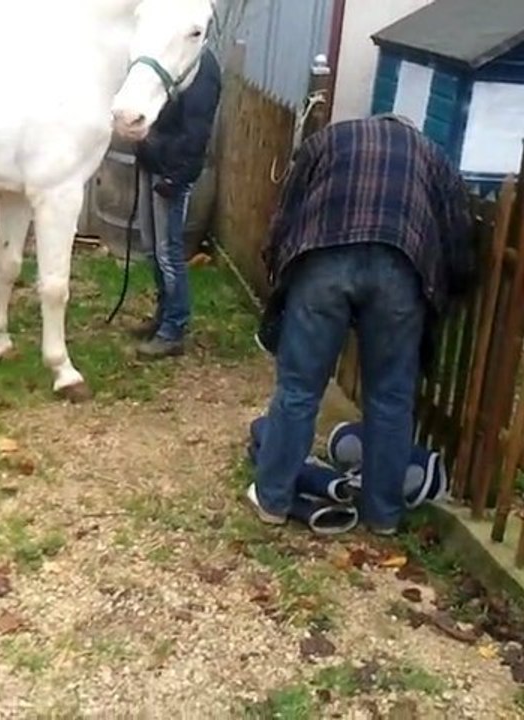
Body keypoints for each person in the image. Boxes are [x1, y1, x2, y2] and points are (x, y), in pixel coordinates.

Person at [251, 114, 476, 536]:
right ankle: (383, 516)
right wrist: (451, 291)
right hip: (400, 268)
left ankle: (273, 501)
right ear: (408, 129)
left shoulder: (330, 140)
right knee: (391, 397)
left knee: (299, 388)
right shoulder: (434, 158)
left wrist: (278, 268)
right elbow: (458, 234)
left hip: (323, 260)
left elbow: (288, 211)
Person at [130, 44, 222, 360]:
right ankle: (163, 313)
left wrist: (176, 176)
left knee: (168, 252)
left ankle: (174, 328)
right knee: (150, 246)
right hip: (151, 161)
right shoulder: (168, 52)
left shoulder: (203, 68)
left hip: (172, 172)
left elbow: (197, 132)